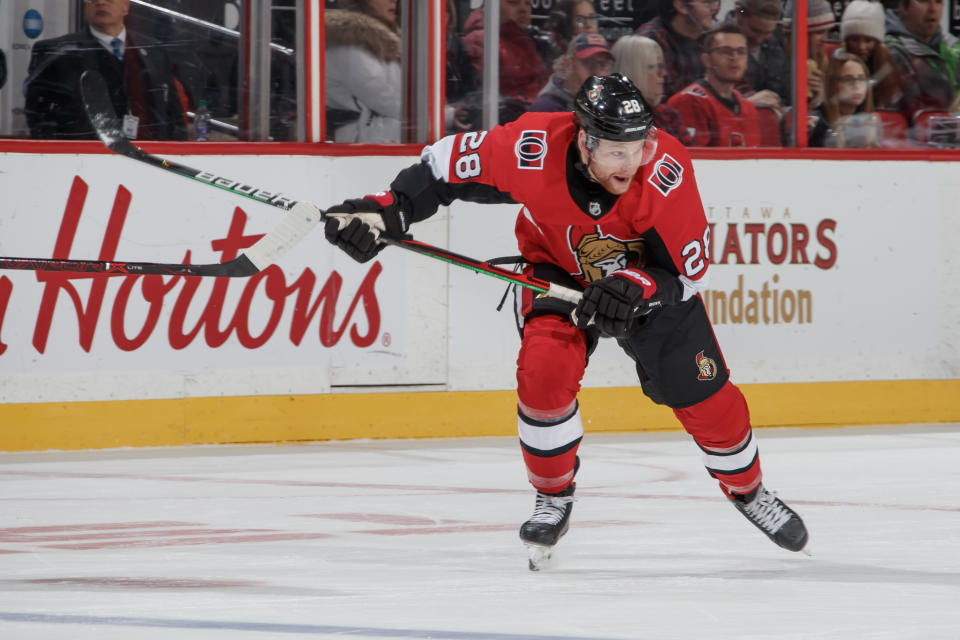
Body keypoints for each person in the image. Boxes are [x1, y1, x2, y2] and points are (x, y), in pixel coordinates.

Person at [321, 73, 809, 569]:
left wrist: (636, 287)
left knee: (709, 401)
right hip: (557, 271)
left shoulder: (665, 174)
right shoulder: (532, 146)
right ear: (584, 141)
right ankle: (553, 496)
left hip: (648, 287)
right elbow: (442, 166)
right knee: (544, 376)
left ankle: (749, 492)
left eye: (638, 147)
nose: (631, 162)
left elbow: (686, 276)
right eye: (616, 151)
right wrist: (385, 211)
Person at [24, 0, 187, 140]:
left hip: (151, 160)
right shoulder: (57, 52)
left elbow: (174, 114)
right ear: (84, 6)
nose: (100, 2)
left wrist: (172, 158)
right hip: (85, 161)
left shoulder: (153, 51)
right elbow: (38, 115)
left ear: (125, 6)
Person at [666, 24, 763, 146]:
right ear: (706, 60)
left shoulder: (748, 108)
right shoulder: (689, 101)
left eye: (741, 52)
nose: (734, 57)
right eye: (725, 51)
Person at [324, 0, 402, 143]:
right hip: (359, 141)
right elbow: (383, 99)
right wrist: (442, 116)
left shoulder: (383, 43)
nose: (394, 1)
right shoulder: (350, 45)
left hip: (378, 135)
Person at [462, 0, 550, 112]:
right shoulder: (482, 40)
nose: (524, 10)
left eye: (528, 4)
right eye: (513, 2)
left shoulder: (526, 40)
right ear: (493, 7)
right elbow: (483, 96)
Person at [884, 0, 960, 125]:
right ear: (904, 6)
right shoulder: (891, 52)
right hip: (913, 138)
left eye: (938, 2)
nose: (933, 9)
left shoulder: (954, 47)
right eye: (924, 1)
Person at [611, 34, 694, 145]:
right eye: (653, 67)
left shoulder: (668, 116)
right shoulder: (610, 120)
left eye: (662, 67)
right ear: (631, 72)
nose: (663, 74)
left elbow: (690, 158)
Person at [636, 0, 719, 101]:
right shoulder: (653, 40)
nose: (715, 8)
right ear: (681, 5)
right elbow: (668, 100)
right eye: (707, 3)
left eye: (716, 2)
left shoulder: (710, 37)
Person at [840, 0, 903, 111]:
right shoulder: (836, 65)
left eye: (868, 40)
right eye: (855, 40)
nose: (861, 47)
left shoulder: (888, 70)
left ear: (877, 42)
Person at [809, 52, 881, 147]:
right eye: (848, 79)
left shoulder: (869, 122)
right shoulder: (817, 123)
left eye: (861, 79)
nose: (856, 85)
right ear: (832, 84)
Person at [728, 0, 789, 111]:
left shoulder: (775, 45)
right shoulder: (715, 44)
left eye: (767, 33)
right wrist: (744, 103)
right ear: (738, 13)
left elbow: (785, 92)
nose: (759, 39)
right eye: (755, 30)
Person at [528, 33, 614, 112]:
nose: (598, 74)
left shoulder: (608, 105)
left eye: (603, 65)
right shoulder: (545, 108)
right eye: (589, 64)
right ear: (568, 64)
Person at [782, 0, 836, 110]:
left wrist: (819, 99)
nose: (825, 39)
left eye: (826, 32)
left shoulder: (826, 62)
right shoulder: (779, 63)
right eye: (819, 32)